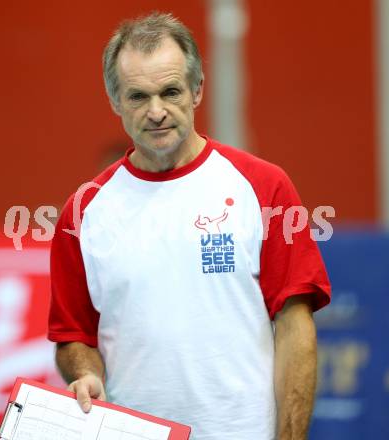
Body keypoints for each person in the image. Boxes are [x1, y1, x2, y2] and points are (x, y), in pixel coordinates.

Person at [48, 12, 331, 440]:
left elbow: (295, 328)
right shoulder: (83, 211)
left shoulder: (264, 187)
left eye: (171, 91)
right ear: (114, 101)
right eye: (138, 96)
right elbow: (74, 335)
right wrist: (86, 374)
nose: (157, 111)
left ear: (197, 90)